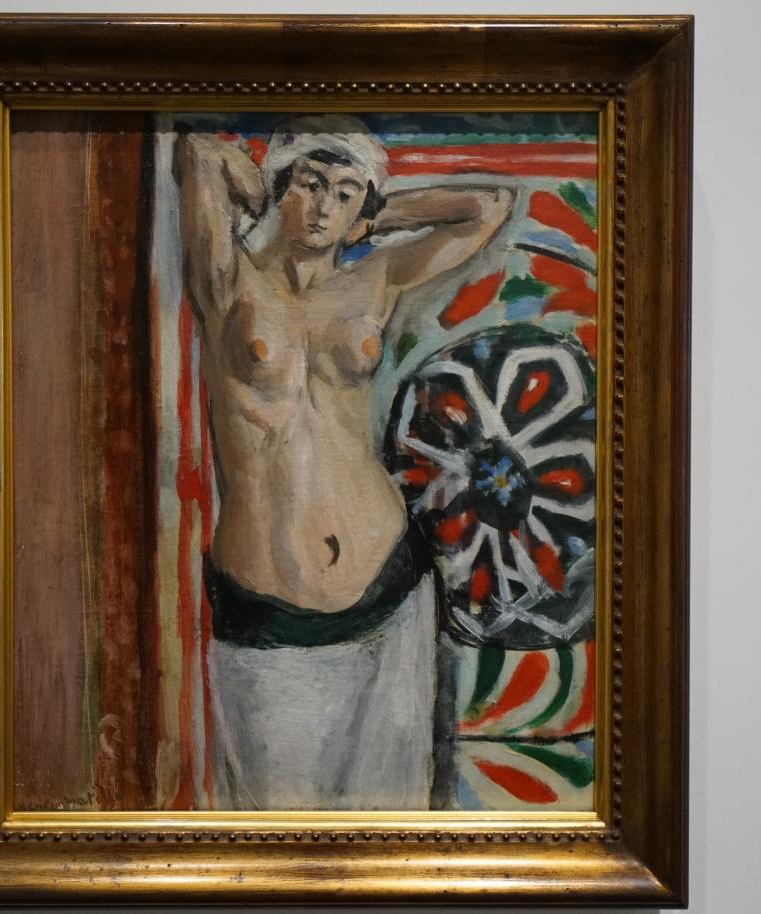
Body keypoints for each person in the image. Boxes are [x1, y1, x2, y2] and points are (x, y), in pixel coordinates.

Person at [173, 115, 513, 809]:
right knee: (273, 832)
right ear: (283, 185)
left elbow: (489, 207)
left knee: (390, 828)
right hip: (268, 614)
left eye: (344, 192)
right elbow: (197, 152)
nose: (323, 206)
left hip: (390, 592)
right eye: (311, 183)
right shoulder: (228, 281)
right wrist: (256, 186)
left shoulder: (374, 281)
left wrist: (374, 214)